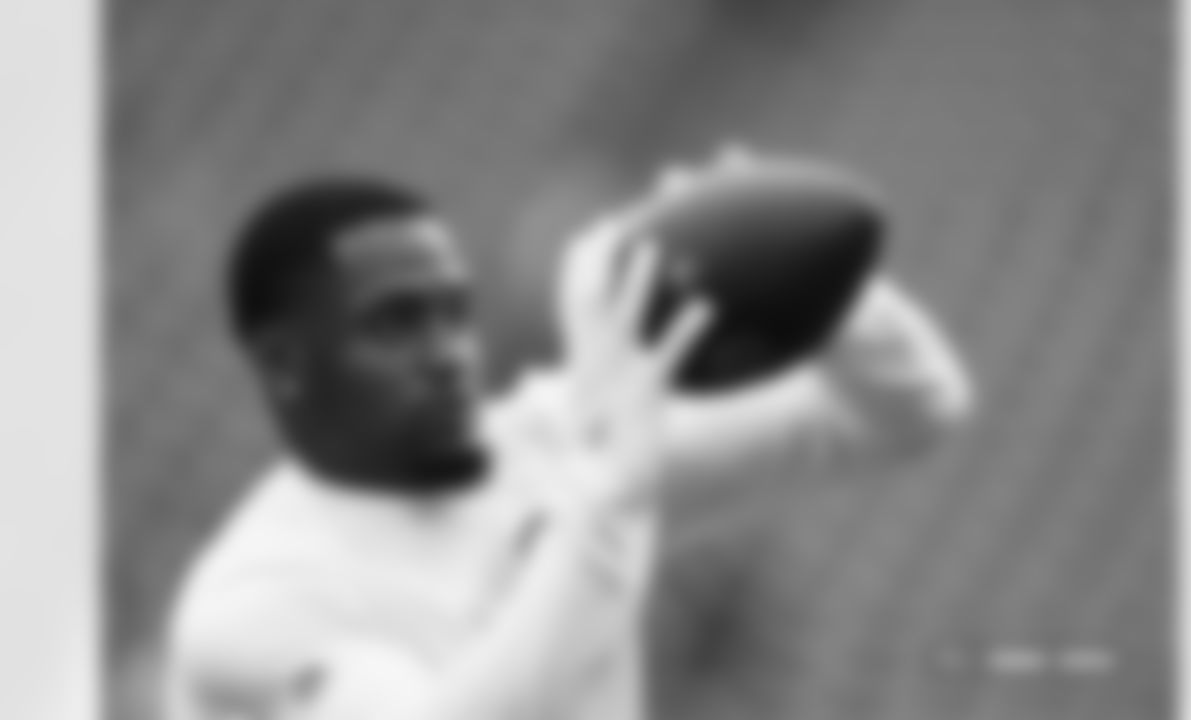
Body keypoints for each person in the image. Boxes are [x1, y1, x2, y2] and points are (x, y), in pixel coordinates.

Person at [163, 153, 975, 720]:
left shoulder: (553, 443)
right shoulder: (249, 606)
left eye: (453, 311)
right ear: (284, 364)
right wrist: (608, 494)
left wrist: (783, 269)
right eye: (395, 322)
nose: (447, 354)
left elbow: (906, 412)